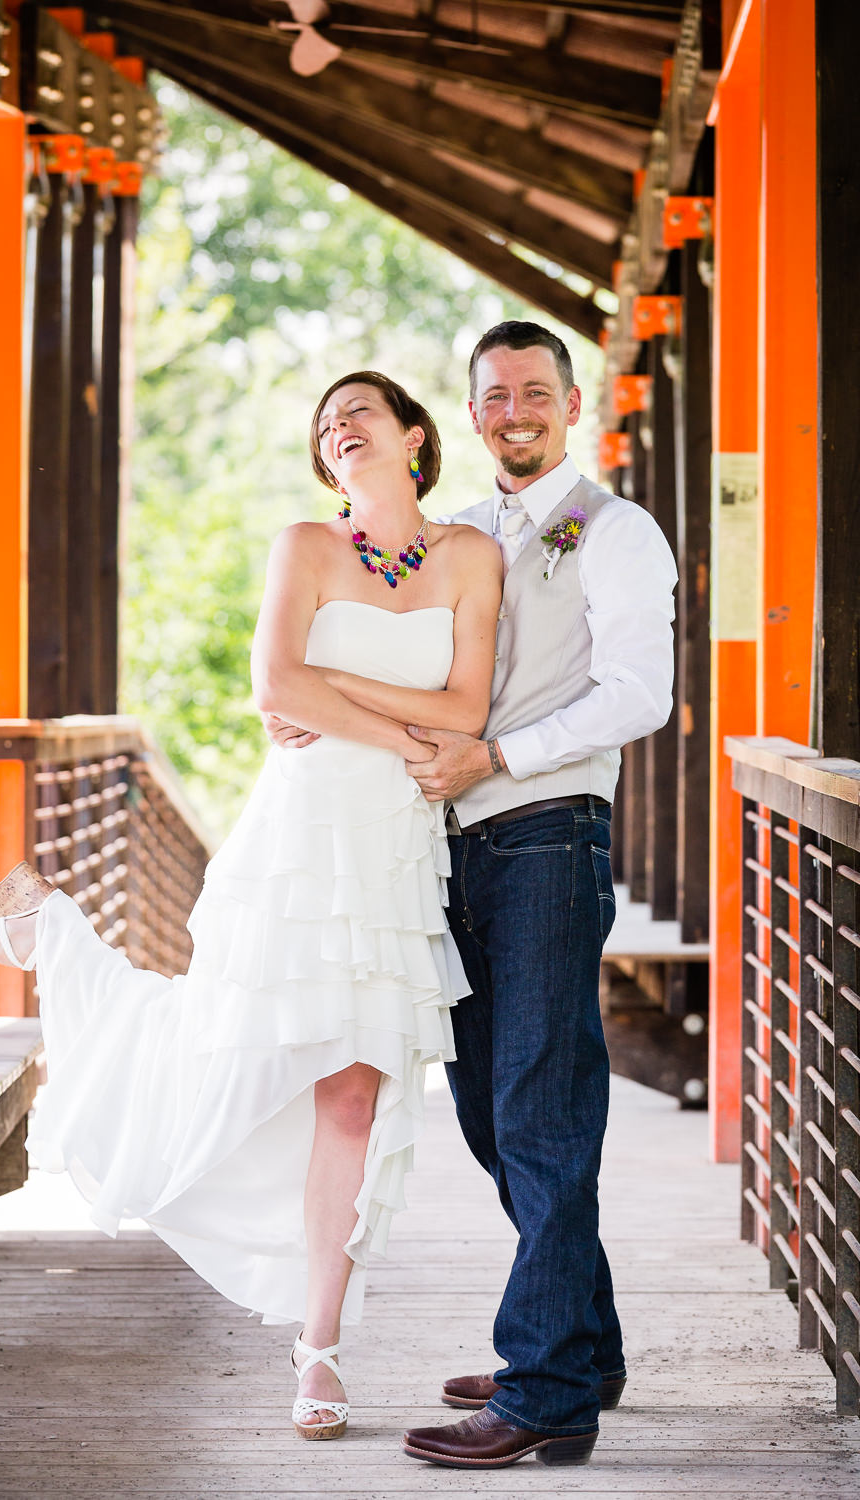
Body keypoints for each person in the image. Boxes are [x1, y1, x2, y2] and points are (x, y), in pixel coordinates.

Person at [0, 371, 501, 1444]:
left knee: (351, 1100)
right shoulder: (306, 546)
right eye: (325, 423)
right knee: (227, 1053)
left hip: (391, 850)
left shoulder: (470, 557)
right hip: (297, 841)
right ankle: (49, 928)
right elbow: (275, 691)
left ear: (415, 438)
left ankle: (319, 1351)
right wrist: (404, 730)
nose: (338, 430)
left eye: (360, 415)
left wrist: (346, 698)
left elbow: (466, 707)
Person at [399, 322, 678, 1468]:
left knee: (540, 1109)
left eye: (534, 391)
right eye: (493, 394)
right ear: (470, 416)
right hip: (452, 847)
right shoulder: (456, 532)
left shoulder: (613, 531)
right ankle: (583, 1342)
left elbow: (640, 695)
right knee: (483, 1109)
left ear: (571, 402)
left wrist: (501, 761)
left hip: (547, 839)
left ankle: (547, 1390)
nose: (514, 409)